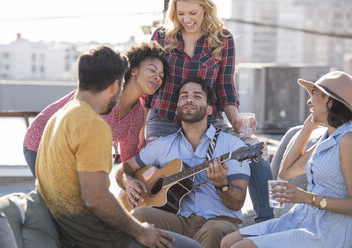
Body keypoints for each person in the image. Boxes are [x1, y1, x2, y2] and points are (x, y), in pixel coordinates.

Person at [35, 45, 201, 248]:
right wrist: (141, 231)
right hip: (87, 234)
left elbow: (121, 169)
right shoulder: (94, 125)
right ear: (116, 85)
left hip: (65, 226)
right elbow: (96, 198)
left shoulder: (59, 116)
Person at [143, 0, 274, 223]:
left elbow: (225, 87)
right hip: (165, 118)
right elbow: (149, 85)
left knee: (257, 152)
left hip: (208, 120)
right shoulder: (162, 36)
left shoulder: (223, 39)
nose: (187, 19)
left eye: (193, 13)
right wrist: (142, 129)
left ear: (206, 9)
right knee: (159, 176)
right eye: (181, 13)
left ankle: (266, 223)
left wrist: (237, 127)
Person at [116, 76, 252, 248]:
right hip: (177, 220)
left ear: (209, 109)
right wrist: (128, 181)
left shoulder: (233, 146)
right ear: (177, 108)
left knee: (215, 230)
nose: (189, 99)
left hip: (217, 221)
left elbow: (237, 202)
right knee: (140, 214)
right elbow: (125, 167)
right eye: (184, 96)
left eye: (197, 96)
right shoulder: (162, 145)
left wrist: (222, 184)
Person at [220, 71, 352, 248]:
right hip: (300, 219)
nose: (308, 101)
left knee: (240, 247)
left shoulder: (347, 140)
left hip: (328, 232)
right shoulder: (328, 138)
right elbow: (286, 171)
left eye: (314, 93)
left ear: (330, 100)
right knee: (228, 241)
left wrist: (308, 198)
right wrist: (307, 128)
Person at [23, 41, 169, 177]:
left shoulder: (137, 113)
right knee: (59, 200)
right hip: (41, 141)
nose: (157, 77)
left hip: (74, 155)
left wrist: (135, 180)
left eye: (161, 76)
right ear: (134, 70)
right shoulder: (106, 89)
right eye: (152, 70)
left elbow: (128, 160)